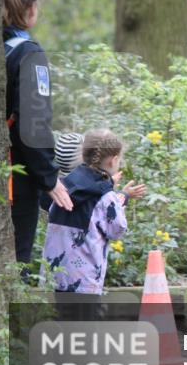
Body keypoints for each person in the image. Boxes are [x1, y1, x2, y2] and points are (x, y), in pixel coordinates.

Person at [2, 0, 73, 277]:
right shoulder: (28, 53)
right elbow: (32, 123)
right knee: (14, 264)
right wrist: (49, 177)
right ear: (30, 11)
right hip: (12, 175)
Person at [41, 130, 146, 304]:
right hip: (84, 278)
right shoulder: (106, 195)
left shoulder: (61, 187)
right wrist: (121, 196)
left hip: (55, 273)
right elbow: (116, 229)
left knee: (62, 322)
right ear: (113, 160)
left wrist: (114, 189)